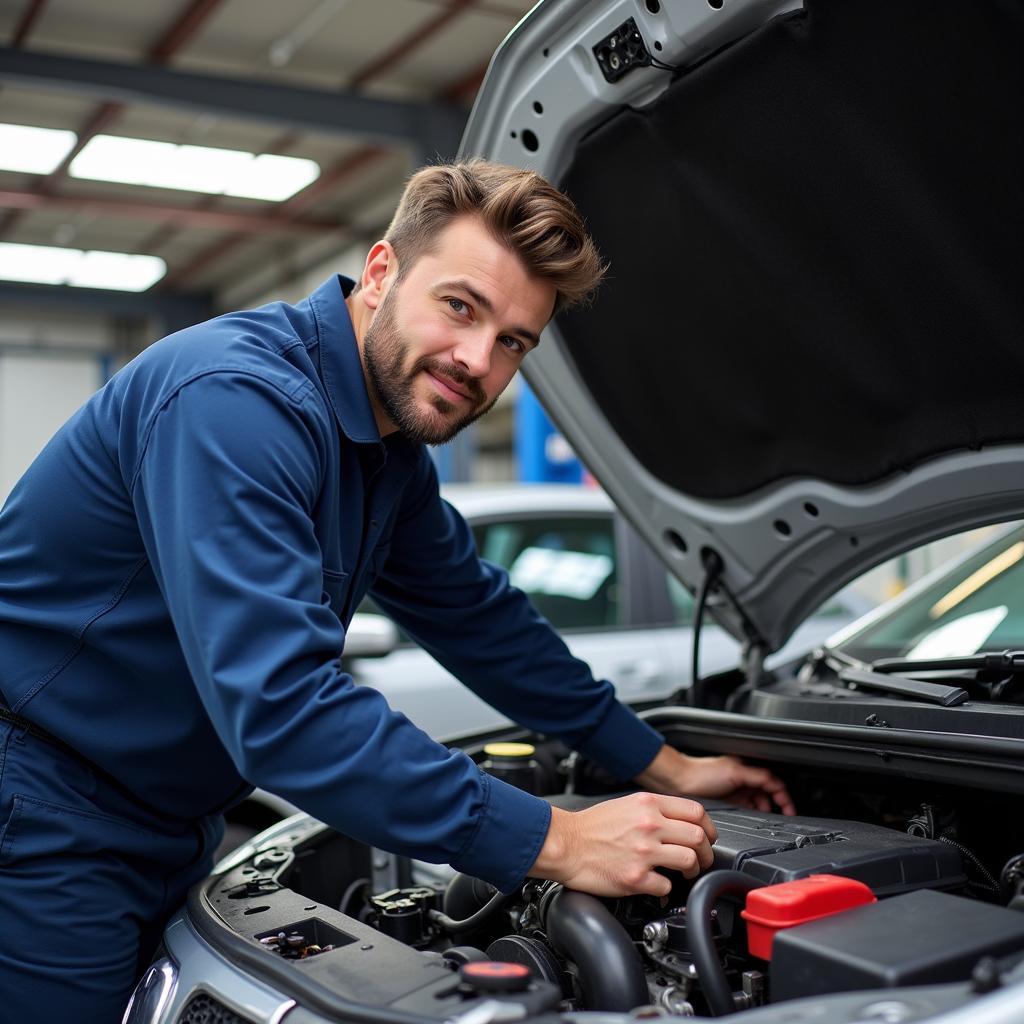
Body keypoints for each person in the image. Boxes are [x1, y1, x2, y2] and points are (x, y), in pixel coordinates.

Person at [0, 159, 793, 1020]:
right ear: (381, 272)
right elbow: (283, 713)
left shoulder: (389, 459)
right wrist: (555, 839)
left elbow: (483, 621)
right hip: (44, 815)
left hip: (167, 822)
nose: (477, 361)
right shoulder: (236, 401)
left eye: (514, 341)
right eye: (461, 306)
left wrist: (667, 764)